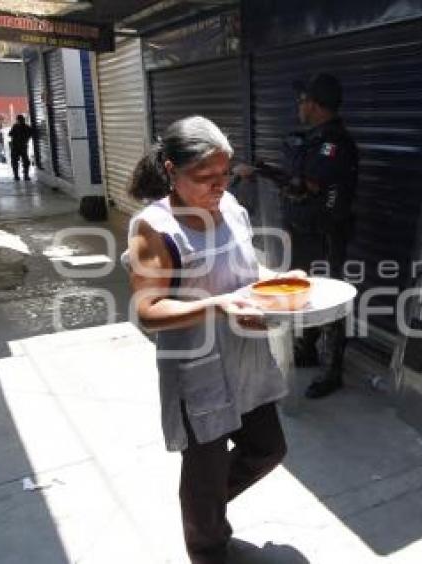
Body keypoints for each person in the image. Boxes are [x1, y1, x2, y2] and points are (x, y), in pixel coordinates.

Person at [123, 116, 302, 564]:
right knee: (205, 468)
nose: (218, 185)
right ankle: (207, 547)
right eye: (205, 178)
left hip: (244, 358)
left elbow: (245, 273)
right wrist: (217, 306)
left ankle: (203, 513)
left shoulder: (233, 208)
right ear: (171, 170)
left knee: (267, 449)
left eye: (224, 174)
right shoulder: (155, 228)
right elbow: (148, 310)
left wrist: (279, 282)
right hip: (196, 368)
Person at [235, 73, 359, 399]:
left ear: (315, 105)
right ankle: (308, 348)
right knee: (307, 292)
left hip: (327, 234)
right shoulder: (314, 139)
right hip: (304, 233)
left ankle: (332, 369)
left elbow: (304, 186)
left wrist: (261, 172)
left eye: (302, 100)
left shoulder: (334, 145)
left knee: (332, 299)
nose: (298, 106)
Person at [8, 114, 34, 180]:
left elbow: (10, 134)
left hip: (18, 147)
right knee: (22, 162)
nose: (20, 121)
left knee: (20, 162)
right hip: (19, 147)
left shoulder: (17, 126)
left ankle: (20, 175)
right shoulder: (24, 127)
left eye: (20, 120)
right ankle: (22, 175)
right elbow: (10, 134)